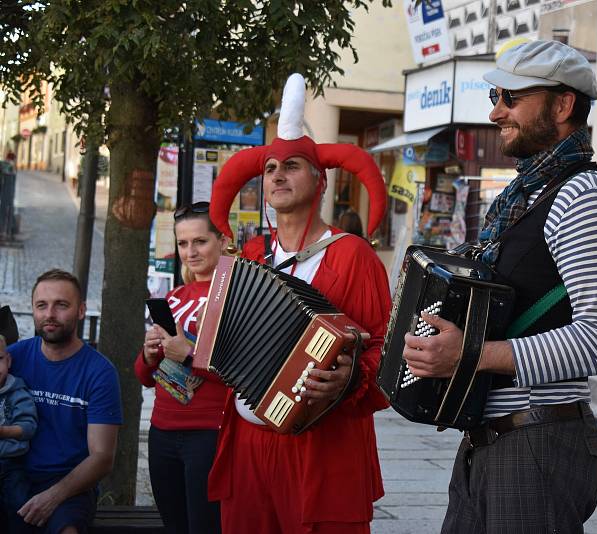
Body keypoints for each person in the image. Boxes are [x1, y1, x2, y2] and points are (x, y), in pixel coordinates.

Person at [403, 39, 597, 534]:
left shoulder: (583, 197)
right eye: (494, 97)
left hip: (538, 442)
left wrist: (470, 355)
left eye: (511, 97)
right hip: (495, 440)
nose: (496, 112)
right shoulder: (525, 195)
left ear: (563, 103)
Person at [206, 73, 391, 534]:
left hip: (322, 451)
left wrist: (351, 378)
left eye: (292, 165)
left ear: (320, 179)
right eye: (270, 168)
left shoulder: (352, 255)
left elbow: (387, 350)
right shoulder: (251, 255)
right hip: (248, 447)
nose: (278, 175)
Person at [134, 202, 229, 534]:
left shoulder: (234, 297)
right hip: (161, 429)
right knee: (174, 526)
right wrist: (148, 355)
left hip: (210, 432)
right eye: (183, 243)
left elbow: (242, 372)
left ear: (223, 240)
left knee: (205, 526)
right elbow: (145, 376)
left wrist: (188, 354)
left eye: (200, 241)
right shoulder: (172, 297)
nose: (191, 251)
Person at [7, 269, 122, 533]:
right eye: (41, 305)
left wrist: (53, 497)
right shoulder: (13, 359)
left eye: (61, 305)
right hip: (14, 472)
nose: (49, 314)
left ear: (81, 310)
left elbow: (103, 457)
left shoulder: (100, 373)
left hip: (71, 483)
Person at [0, 335, 37, 533]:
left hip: (12, 464)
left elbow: (28, 428)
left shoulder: (18, 392)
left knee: (19, 507)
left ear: (8, 360)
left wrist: (3, 431)